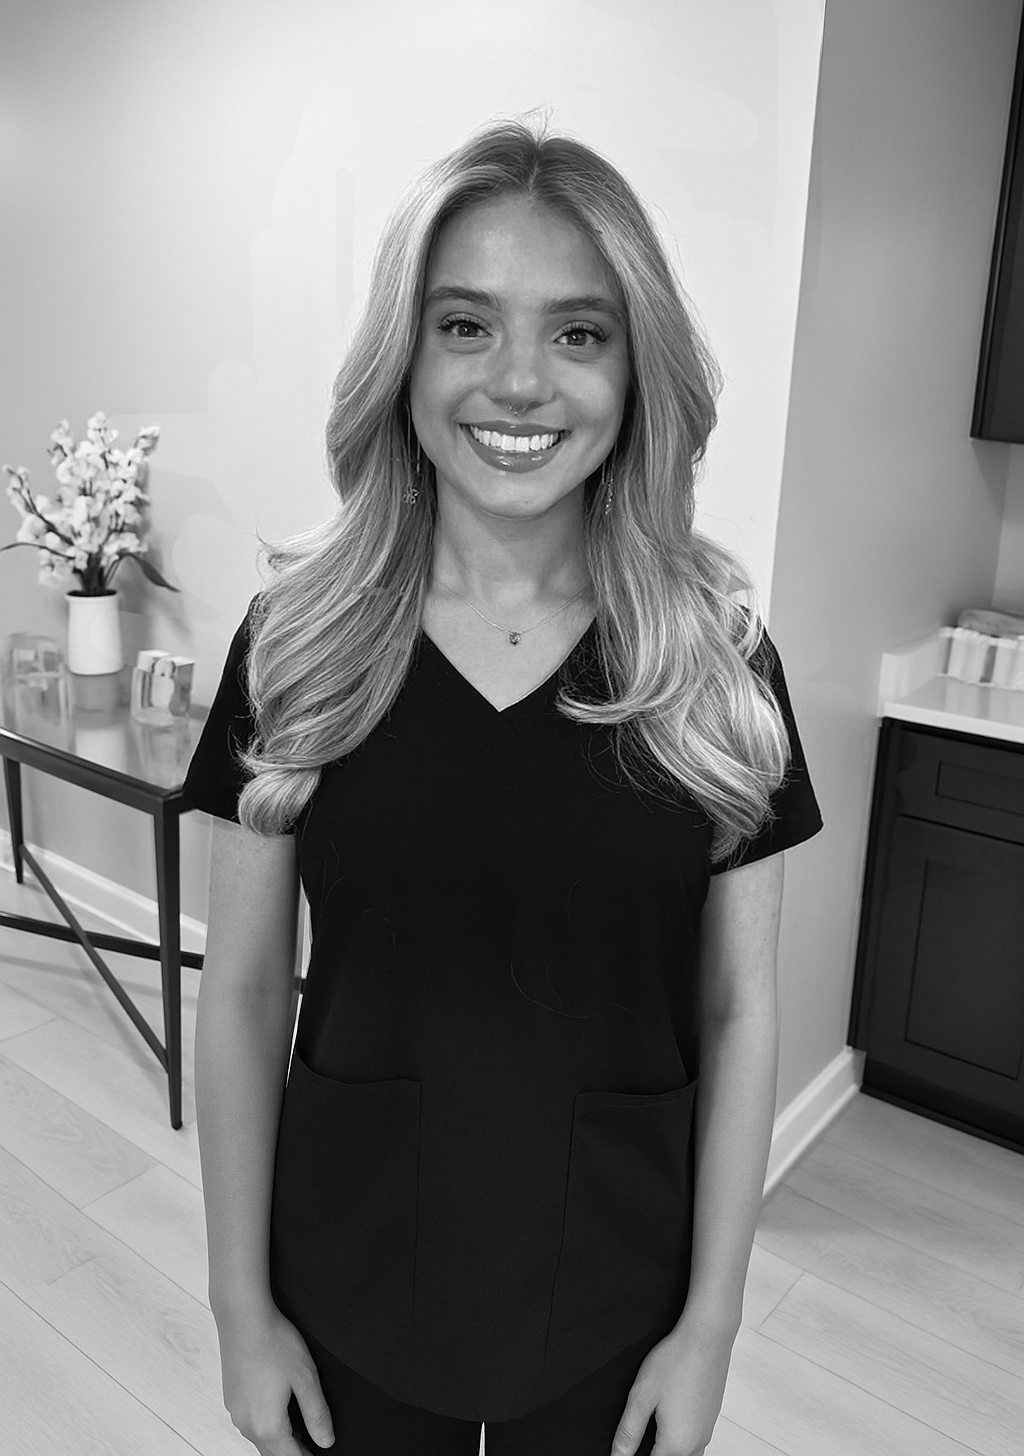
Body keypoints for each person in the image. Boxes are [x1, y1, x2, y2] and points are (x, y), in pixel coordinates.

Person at [183, 117, 822, 1456]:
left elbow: (741, 1010)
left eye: (578, 334)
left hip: (617, 1291)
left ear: (635, 367)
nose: (520, 382)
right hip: (352, 1267)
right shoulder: (297, 642)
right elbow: (240, 994)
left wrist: (710, 1327)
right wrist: (243, 1310)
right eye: (466, 326)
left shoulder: (717, 662)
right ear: (403, 358)